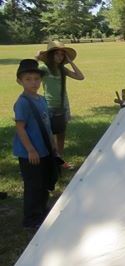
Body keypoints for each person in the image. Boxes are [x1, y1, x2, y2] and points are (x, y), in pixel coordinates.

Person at [13, 59, 59, 230]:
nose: (33, 83)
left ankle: (41, 210)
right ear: (20, 81)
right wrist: (30, 149)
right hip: (29, 153)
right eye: (28, 79)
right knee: (33, 185)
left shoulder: (41, 99)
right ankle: (31, 219)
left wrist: (52, 143)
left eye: (36, 79)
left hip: (44, 149)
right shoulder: (23, 103)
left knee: (44, 181)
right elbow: (20, 128)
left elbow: (46, 125)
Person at [36, 41, 84, 170]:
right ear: (51, 55)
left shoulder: (63, 69)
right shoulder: (43, 68)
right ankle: (47, 162)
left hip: (63, 106)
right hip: (48, 106)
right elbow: (31, 76)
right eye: (56, 54)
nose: (59, 57)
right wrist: (37, 58)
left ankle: (59, 161)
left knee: (61, 135)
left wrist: (71, 61)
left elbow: (80, 77)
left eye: (62, 55)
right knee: (48, 137)